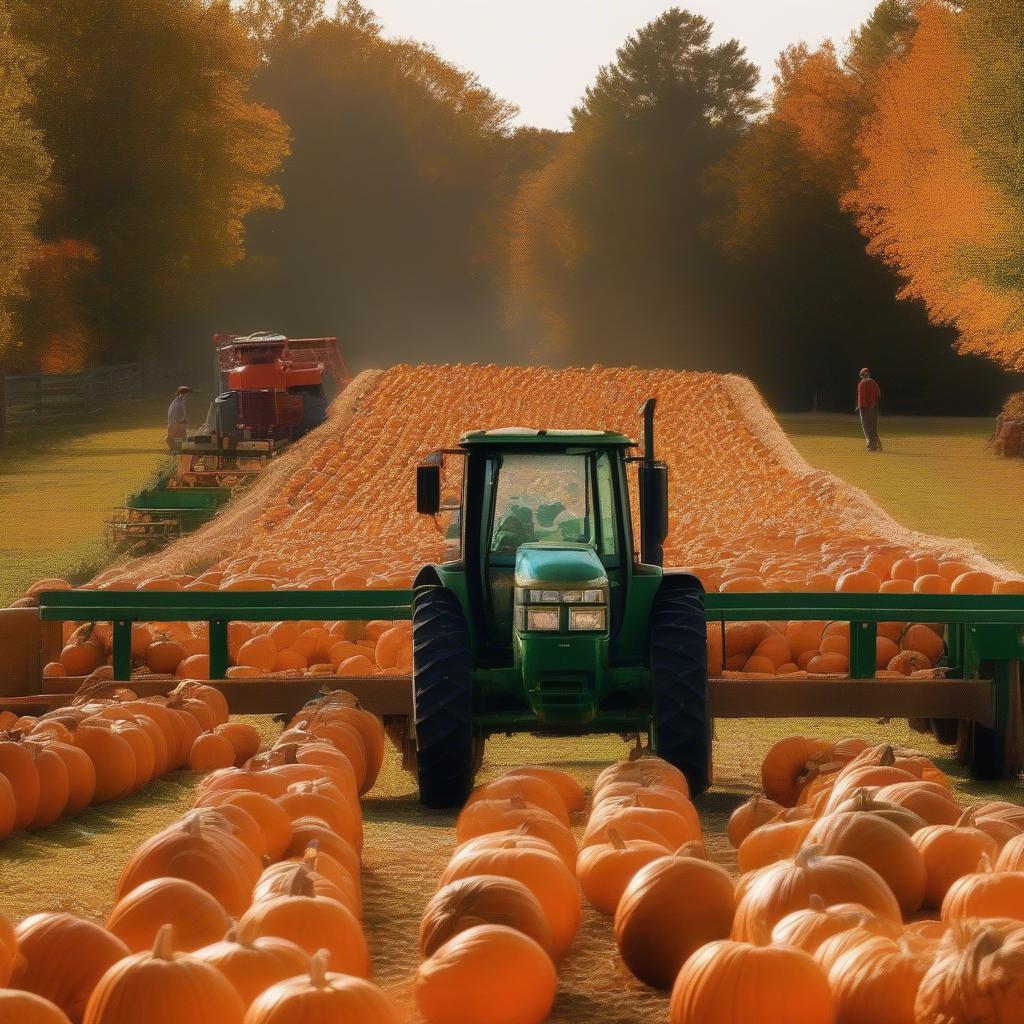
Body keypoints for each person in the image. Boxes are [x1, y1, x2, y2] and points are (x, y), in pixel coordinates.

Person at [856, 367, 882, 452]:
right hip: (868, 407)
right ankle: (875, 444)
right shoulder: (870, 382)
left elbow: (874, 394)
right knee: (871, 427)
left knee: (867, 427)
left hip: (867, 408)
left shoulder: (866, 383)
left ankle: (872, 445)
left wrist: (871, 404)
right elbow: (877, 393)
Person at [166, 385, 191, 451]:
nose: (188, 395)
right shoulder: (178, 404)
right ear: (184, 394)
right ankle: (175, 448)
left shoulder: (177, 401)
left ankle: (174, 446)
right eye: (187, 393)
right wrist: (183, 421)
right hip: (175, 424)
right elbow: (178, 416)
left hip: (173, 423)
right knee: (179, 438)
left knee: (178, 438)